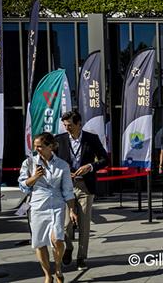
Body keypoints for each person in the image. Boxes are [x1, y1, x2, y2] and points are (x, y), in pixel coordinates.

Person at [18, 132, 77, 283]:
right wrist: (35, 177)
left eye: (40, 146)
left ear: (50, 147)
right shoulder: (29, 163)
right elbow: (23, 186)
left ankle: (58, 267)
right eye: (35, 146)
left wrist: (71, 210)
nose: (36, 149)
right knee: (39, 242)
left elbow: (68, 191)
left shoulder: (62, 165)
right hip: (38, 206)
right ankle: (47, 274)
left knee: (57, 239)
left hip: (57, 206)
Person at [55, 111, 108, 271]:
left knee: (84, 224)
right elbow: (54, 161)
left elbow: (105, 159)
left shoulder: (91, 139)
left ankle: (81, 257)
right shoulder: (59, 140)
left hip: (85, 186)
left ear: (79, 124)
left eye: (70, 125)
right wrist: (63, 172)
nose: (67, 128)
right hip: (66, 186)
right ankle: (69, 247)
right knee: (65, 224)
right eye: (65, 125)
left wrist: (90, 167)